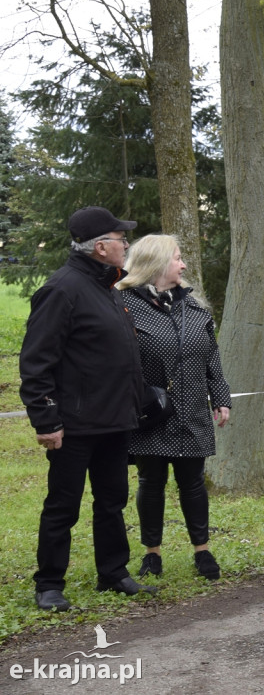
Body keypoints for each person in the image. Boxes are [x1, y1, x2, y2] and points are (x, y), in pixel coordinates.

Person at [20, 206, 157, 611]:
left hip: (114, 420)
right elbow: (36, 362)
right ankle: (49, 584)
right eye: (120, 239)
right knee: (63, 505)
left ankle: (113, 572)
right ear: (100, 247)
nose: (127, 245)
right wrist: (46, 420)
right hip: (74, 424)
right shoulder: (61, 289)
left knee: (112, 500)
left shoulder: (107, 288)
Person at [117, 235, 231, 581]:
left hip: (193, 410)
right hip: (152, 415)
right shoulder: (124, 306)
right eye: (177, 259)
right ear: (156, 264)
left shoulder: (193, 306)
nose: (183, 265)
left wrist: (221, 396)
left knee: (193, 483)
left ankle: (202, 550)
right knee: (151, 482)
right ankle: (152, 554)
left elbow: (211, 354)